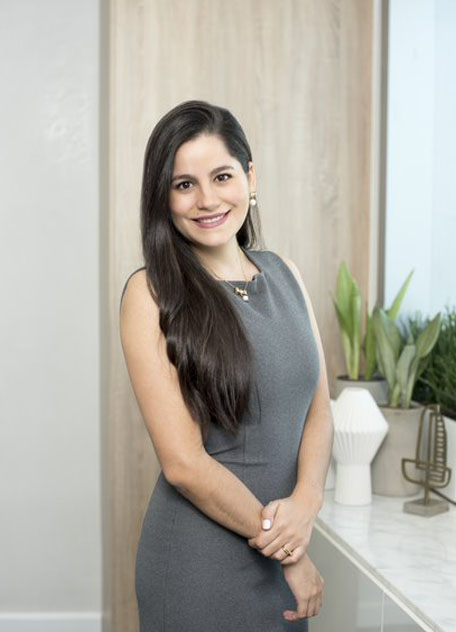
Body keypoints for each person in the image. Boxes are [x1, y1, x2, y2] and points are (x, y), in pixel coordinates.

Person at [119, 100, 334, 631]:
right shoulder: (150, 294)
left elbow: (318, 411)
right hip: (199, 565)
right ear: (163, 197)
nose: (207, 200)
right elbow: (183, 464)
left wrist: (306, 504)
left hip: (282, 547)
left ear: (250, 177)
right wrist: (291, 553)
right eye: (184, 184)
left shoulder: (286, 274)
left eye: (221, 176)